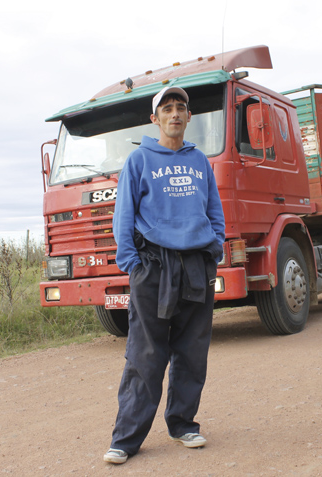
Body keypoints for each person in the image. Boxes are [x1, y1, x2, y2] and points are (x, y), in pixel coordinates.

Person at [103, 86, 225, 464]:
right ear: (155, 119)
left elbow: (214, 210)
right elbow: (123, 216)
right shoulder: (139, 160)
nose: (175, 114)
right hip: (153, 266)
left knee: (192, 349)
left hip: (195, 265)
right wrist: (132, 264)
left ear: (189, 118)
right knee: (146, 352)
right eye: (167, 109)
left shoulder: (200, 162)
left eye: (181, 108)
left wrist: (215, 247)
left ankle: (183, 424)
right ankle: (126, 439)